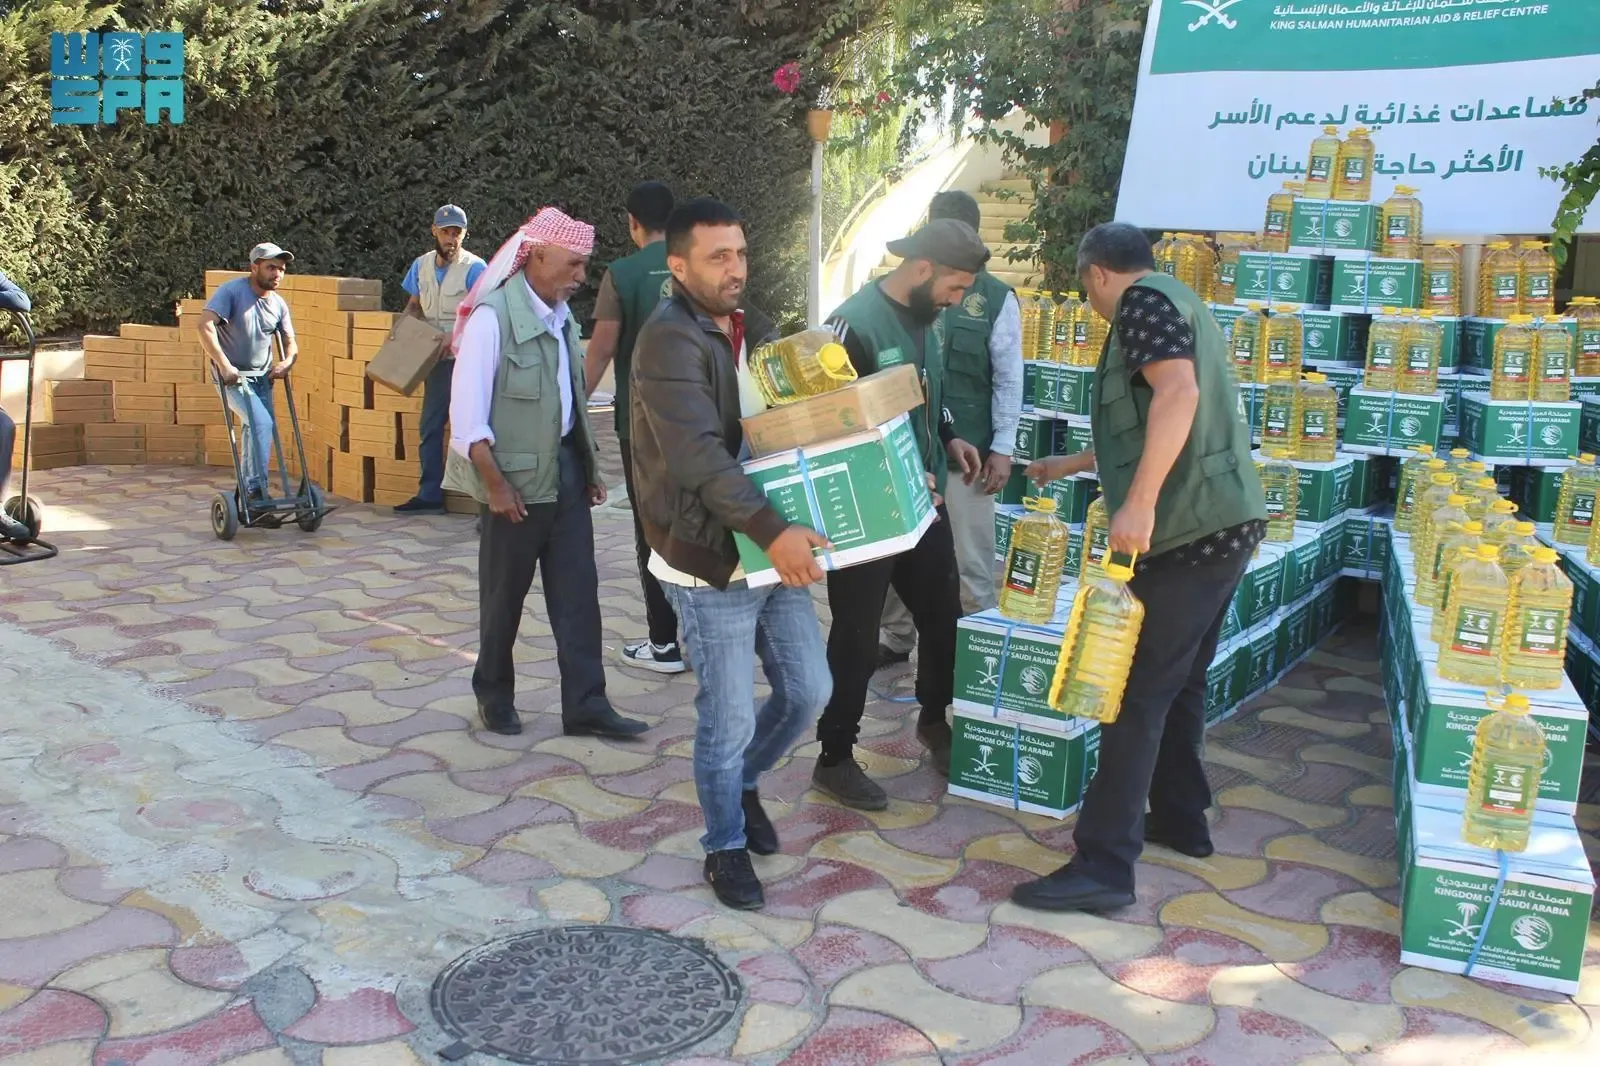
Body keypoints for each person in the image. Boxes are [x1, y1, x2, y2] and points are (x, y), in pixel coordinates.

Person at [1010, 221, 1266, 914]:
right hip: (1224, 520)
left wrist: (1140, 503)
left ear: (1095, 273)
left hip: (1190, 528)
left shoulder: (1141, 307)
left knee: (1133, 692)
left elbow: (1178, 396)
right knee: (1177, 683)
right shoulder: (1177, 296)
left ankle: (1104, 865)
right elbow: (1163, 411)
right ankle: (1182, 820)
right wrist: (1076, 463)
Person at [630, 196, 834, 910]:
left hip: (769, 539)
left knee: (810, 690)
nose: (736, 268)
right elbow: (696, 456)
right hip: (711, 555)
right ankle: (723, 845)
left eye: (741, 253)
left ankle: (740, 782)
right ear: (678, 263)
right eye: (719, 256)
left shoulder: (752, 327)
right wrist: (773, 532)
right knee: (729, 714)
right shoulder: (667, 338)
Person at [444, 207, 648, 741]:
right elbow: (466, 419)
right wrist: (494, 484)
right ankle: (493, 693)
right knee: (503, 598)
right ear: (536, 256)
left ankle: (586, 705)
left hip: (564, 475)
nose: (582, 276)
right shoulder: (493, 318)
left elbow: (572, 399)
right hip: (509, 481)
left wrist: (588, 464)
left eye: (585, 265)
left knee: (579, 596)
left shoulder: (561, 317)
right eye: (574, 264)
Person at [810, 219, 988, 810]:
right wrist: (893, 472)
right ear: (922, 270)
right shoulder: (850, 326)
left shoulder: (928, 318)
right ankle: (834, 758)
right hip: (866, 508)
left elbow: (923, 397)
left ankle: (933, 722)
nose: (957, 300)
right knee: (857, 636)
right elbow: (821, 423)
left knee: (944, 615)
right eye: (955, 287)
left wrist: (950, 437)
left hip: (920, 504)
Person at [879, 190, 1024, 665]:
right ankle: (895, 638)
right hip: (910, 450)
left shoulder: (997, 298)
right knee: (899, 549)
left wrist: (1003, 447)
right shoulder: (899, 291)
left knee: (971, 562)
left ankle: (973, 652)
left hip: (970, 455)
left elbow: (1008, 377)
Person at [582, 181, 686, 674]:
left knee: (652, 527)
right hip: (698, 417)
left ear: (632, 223)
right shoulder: (697, 262)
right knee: (697, 519)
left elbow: (601, 349)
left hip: (641, 423)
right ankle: (708, 635)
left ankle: (664, 643)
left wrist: (573, 407)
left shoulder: (621, 274)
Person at [393, 204, 487, 516]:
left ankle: (482, 499)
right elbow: (414, 306)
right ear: (434, 230)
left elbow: (485, 311)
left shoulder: (474, 268)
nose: (451, 237)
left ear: (465, 234)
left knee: (471, 426)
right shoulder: (420, 266)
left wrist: (455, 337)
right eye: (445, 231)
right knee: (431, 426)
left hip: (465, 359)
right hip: (434, 359)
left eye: (456, 232)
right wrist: (400, 333)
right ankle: (430, 494)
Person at [199, 244, 299, 512]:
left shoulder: (278, 304)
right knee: (262, 424)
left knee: (254, 427)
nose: (277, 273)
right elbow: (205, 325)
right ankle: (255, 492)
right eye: (270, 267)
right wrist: (224, 365)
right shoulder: (231, 292)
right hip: (232, 378)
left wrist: (287, 362)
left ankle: (248, 490)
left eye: (281, 269)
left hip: (262, 378)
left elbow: (290, 342)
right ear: (254, 267)